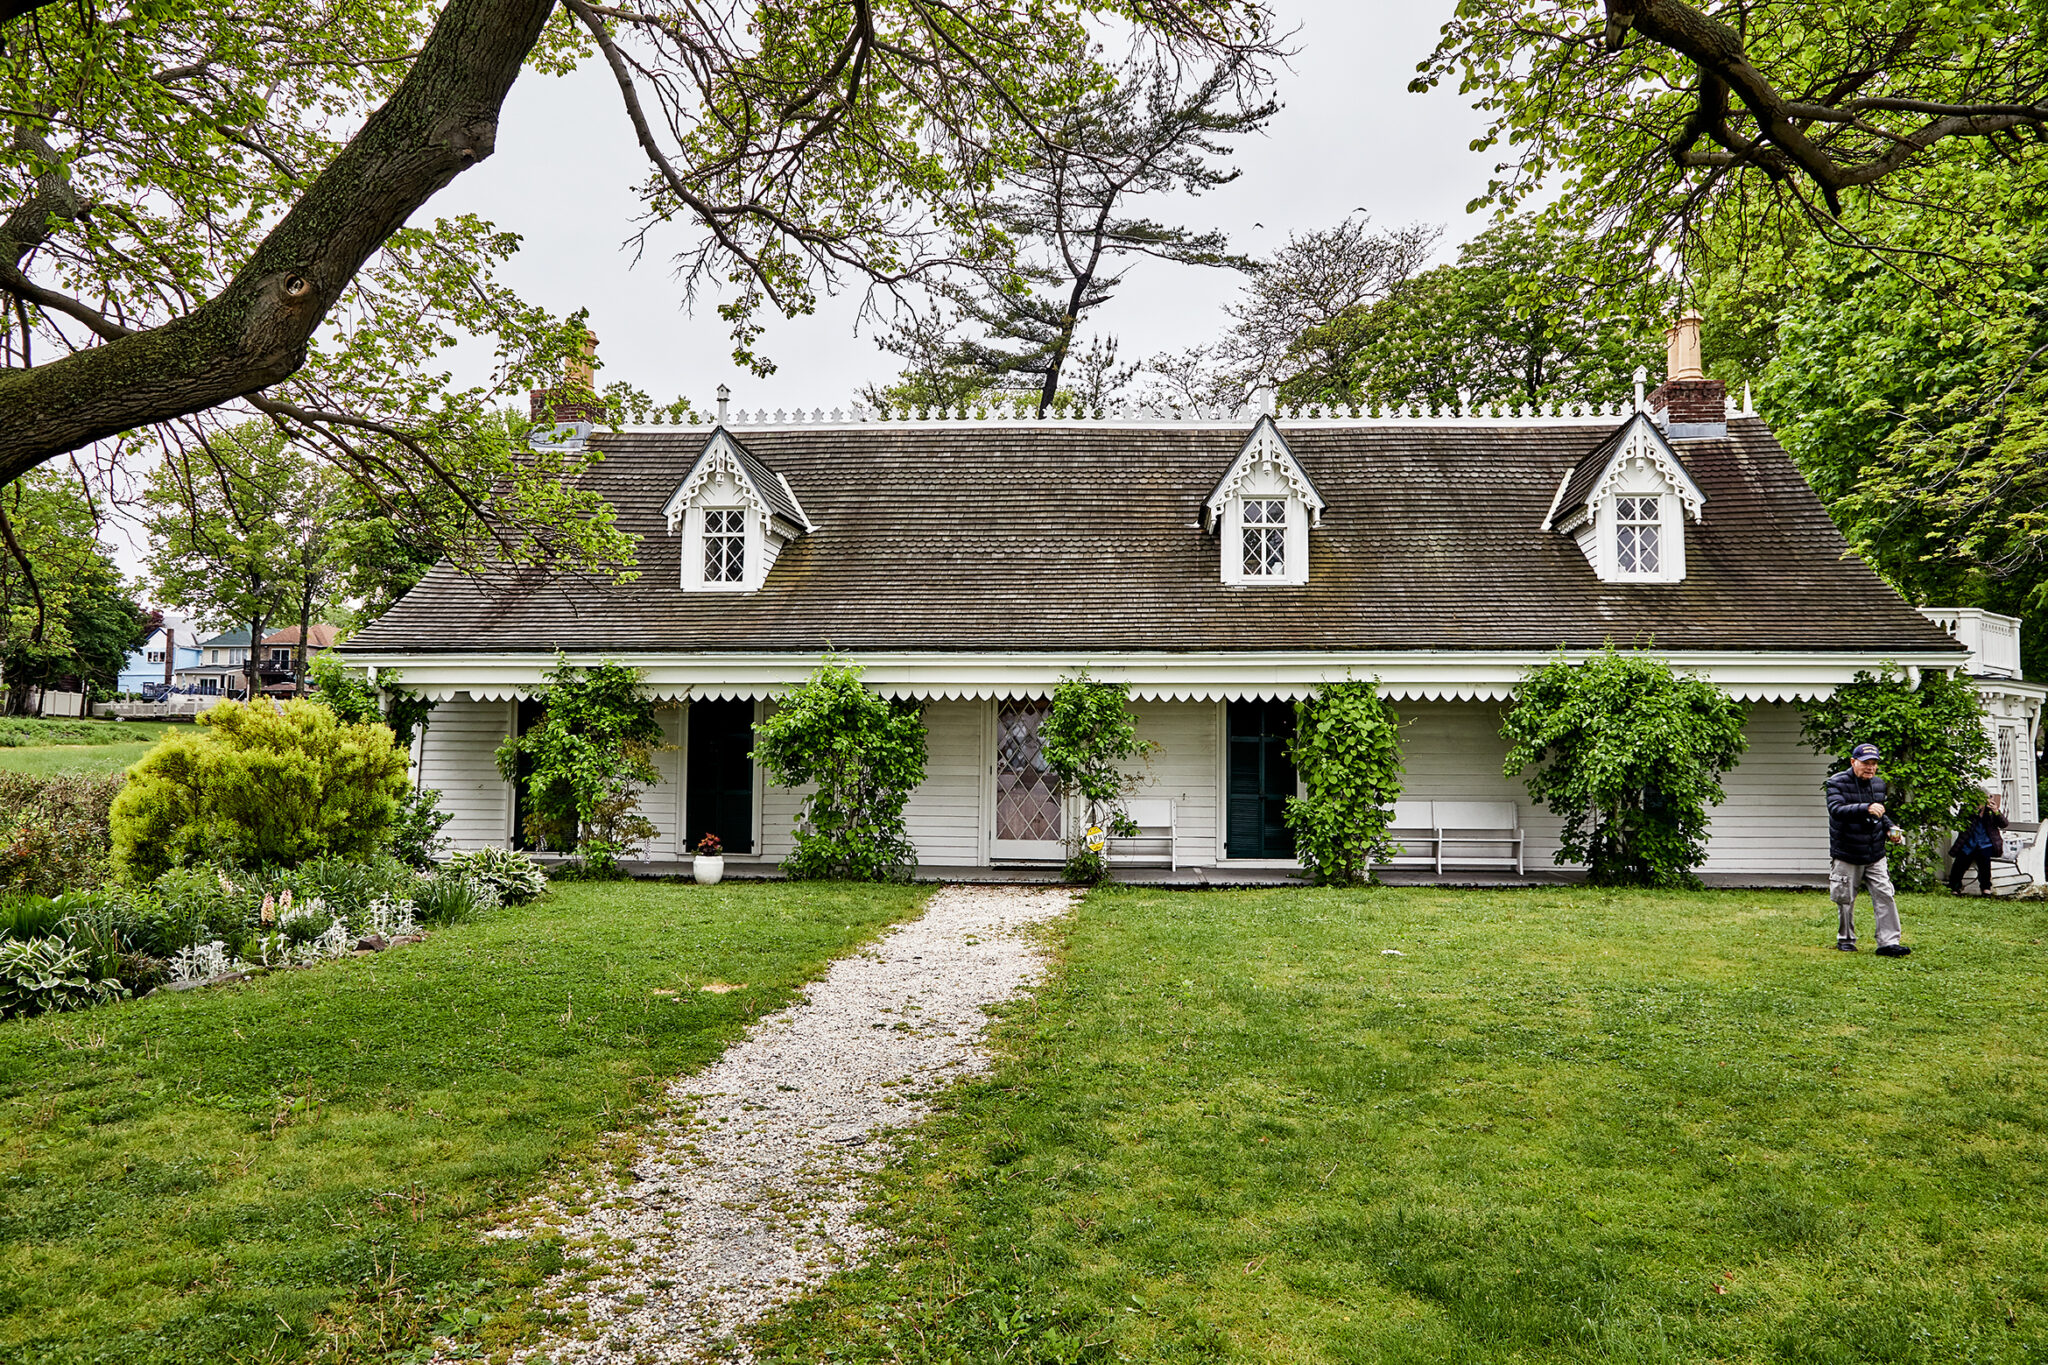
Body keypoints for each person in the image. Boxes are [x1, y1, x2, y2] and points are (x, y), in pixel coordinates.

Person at [1824, 742, 1910, 956]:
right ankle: (1846, 939)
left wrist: (1890, 828)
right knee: (1845, 899)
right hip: (1847, 852)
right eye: (1865, 763)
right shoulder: (1836, 783)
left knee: (1885, 894)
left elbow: (1880, 813)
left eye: (1874, 764)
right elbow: (1836, 810)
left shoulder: (1878, 784)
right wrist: (1866, 808)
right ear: (1853, 762)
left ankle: (1889, 942)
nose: (1870, 768)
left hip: (1875, 853)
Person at [1946, 790, 2008, 896]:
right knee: (1960, 862)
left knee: (1984, 862)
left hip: (1986, 843)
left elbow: (2004, 824)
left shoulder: (1991, 811)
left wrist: (1996, 811)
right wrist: (1974, 812)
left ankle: (1986, 889)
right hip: (1969, 842)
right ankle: (1955, 888)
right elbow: (1961, 824)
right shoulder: (1968, 809)